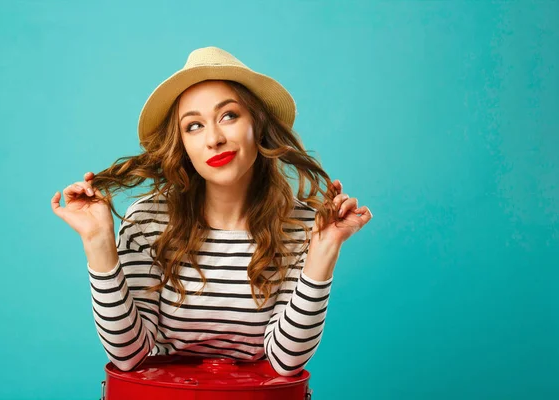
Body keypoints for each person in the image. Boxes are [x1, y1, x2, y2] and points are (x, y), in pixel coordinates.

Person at [51, 46, 372, 376]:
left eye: (229, 116)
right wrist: (97, 242)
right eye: (193, 126)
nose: (214, 139)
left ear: (258, 125)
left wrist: (325, 250)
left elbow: (287, 360)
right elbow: (128, 356)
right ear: (183, 146)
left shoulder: (303, 225)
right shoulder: (148, 221)